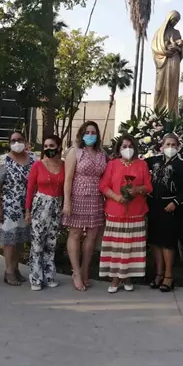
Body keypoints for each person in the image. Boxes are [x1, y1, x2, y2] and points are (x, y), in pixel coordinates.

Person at [98, 135, 152, 293]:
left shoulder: (142, 164)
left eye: (130, 146)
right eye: (124, 146)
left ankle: (127, 277)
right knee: (117, 248)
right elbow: (103, 186)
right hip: (116, 212)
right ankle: (116, 278)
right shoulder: (112, 164)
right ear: (119, 148)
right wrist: (116, 197)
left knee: (131, 248)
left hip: (136, 213)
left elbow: (149, 187)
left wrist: (137, 189)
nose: (127, 149)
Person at [62, 121, 108, 291]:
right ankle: (76, 272)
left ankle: (85, 270)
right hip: (77, 196)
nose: (90, 135)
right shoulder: (75, 152)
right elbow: (67, 179)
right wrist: (67, 201)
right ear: (81, 134)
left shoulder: (102, 154)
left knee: (92, 236)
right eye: (87, 132)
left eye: (93, 132)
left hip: (96, 198)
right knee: (75, 233)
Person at [146, 133, 183, 293]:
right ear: (162, 146)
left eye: (174, 145)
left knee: (167, 242)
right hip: (154, 206)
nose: (170, 147)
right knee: (155, 241)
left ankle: (168, 276)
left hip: (170, 207)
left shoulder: (182, 165)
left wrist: (175, 202)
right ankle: (158, 273)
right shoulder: (154, 161)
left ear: (178, 147)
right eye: (168, 144)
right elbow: (138, 167)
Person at [0, 132, 34, 286]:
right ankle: (9, 271)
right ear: (9, 143)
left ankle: (16, 268)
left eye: (20, 139)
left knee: (21, 238)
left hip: (26, 207)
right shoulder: (3, 160)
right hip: (9, 207)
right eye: (13, 140)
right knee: (10, 240)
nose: (17, 143)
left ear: (25, 141)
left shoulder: (33, 158)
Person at [25, 135, 65, 291]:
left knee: (51, 242)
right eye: (46, 146)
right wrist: (28, 211)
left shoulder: (64, 165)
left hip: (57, 206)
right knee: (37, 243)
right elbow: (30, 189)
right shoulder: (38, 165)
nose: (48, 149)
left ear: (59, 147)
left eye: (52, 146)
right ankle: (35, 277)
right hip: (40, 205)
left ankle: (49, 275)